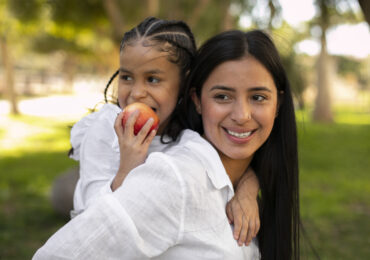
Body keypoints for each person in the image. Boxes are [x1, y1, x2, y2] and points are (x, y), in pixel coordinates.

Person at [33, 28, 300, 260]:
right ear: (196, 100)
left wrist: (249, 185)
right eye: (222, 96)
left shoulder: (240, 179)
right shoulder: (176, 179)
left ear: (278, 104)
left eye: (258, 97)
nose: (242, 115)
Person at [68, 16, 260, 246]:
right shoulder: (105, 130)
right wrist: (129, 164)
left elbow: (232, 166)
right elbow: (96, 219)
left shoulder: (192, 130)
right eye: (127, 77)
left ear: (183, 84)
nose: (137, 93)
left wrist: (247, 192)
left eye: (152, 79)